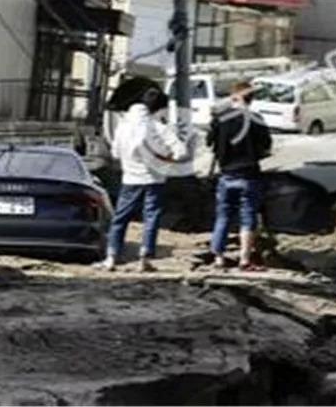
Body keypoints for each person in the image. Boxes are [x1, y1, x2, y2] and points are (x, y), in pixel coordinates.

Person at [99, 87, 188, 272]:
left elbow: (115, 153)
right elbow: (182, 152)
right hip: (155, 179)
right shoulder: (158, 127)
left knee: (120, 218)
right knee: (151, 217)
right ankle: (144, 258)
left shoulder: (122, 127)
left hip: (130, 178)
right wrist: (166, 160)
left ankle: (112, 257)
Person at [207, 80, 272, 271]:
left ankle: (218, 257)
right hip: (249, 175)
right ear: (251, 99)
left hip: (226, 175)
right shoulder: (257, 120)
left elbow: (210, 143)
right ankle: (244, 259)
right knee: (248, 217)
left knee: (223, 216)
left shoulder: (220, 119)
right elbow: (266, 148)